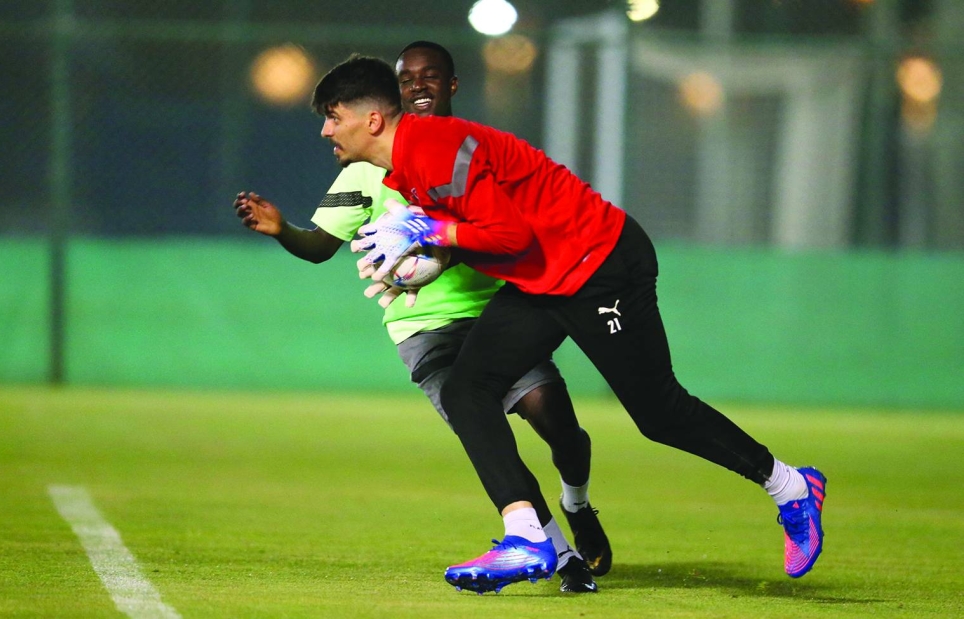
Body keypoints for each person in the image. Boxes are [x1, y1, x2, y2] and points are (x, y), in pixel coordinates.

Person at [310, 54, 828, 595]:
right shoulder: (409, 161)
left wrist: (434, 232)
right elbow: (486, 228)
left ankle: (792, 487)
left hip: (599, 264)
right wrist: (427, 241)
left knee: (659, 413)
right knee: (467, 390)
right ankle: (526, 536)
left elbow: (508, 235)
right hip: (544, 278)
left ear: (371, 120)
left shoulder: (431, 149)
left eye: (333, 115)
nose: (326, 128)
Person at [234, 41, 609, 593]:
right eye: (410, 79)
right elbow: (319, 247)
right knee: (486, 436)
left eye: (431, 77)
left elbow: (508, 230)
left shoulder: (458, 154)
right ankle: (556, 553)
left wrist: (445, 242)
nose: (420, 87)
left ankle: (576, 503)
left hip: (490, 314)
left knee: (558, 423)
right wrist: (282, 228)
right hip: (420, 331)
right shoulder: (362, 173)